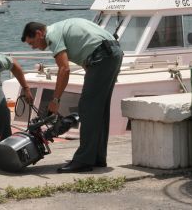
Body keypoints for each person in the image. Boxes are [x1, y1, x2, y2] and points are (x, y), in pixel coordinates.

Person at [20, 18, 123, 173]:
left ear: (39, 33)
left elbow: (64, 69)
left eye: (31, 42)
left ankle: (83, 161)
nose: (33, 47)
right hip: (112, 53)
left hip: (102, 56)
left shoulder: (52, 35)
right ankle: (97, 158)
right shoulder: (60, 27)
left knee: (87, 108)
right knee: (98, 110)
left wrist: (55, 100)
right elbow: (86, 48)